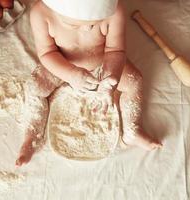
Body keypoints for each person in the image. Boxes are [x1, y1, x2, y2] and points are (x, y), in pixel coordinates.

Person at [15, 0, 162, 167]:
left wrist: (110, 78)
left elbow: (115, 50)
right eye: (73, 25)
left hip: (103, 64)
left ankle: (132, 130)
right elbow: (47, 53)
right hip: (63, 64)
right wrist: (70, 74)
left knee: (134, 81)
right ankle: (32, 135)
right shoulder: (41, 14)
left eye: (92, 25)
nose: (86, 28)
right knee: (34, 86)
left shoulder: (115, 10)